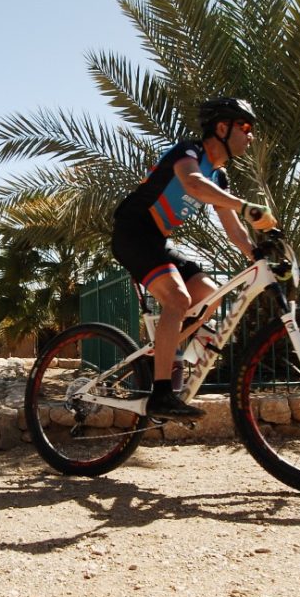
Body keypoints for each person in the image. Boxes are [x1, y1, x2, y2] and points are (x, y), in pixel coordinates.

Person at [110, 96, 277, 420]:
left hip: (157, 241)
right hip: (133, 232)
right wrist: (246, 206)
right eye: (245, 127)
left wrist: (257, 252)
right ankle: (161, 394)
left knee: (210, 295)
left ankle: (159, 354)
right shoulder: (189, 152)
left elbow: (234, 230)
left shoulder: (221, 177)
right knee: (177, 298)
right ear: (222, 127)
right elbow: (191, 182)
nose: (250, 135)